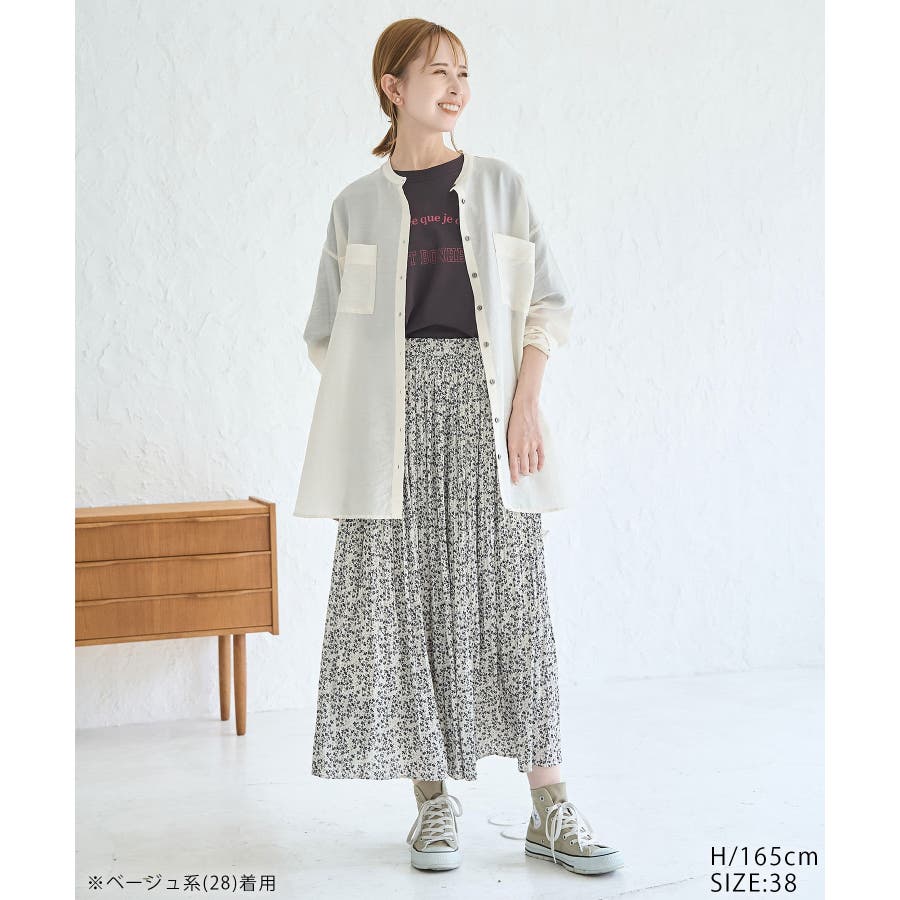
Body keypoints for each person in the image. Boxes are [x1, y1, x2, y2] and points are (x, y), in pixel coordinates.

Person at [293, 17, 624, 878]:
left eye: (463, 72)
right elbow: (327, 334)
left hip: (490, 412)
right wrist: (380, 407)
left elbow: (548, 306)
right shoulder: (354, 206)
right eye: (437, 71)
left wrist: (524, 405)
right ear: (392, 87)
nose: (455, 86)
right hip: (391, 432)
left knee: (513, 604)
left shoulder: (503, 186)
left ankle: (550, 806)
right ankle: (432, 803)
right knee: (403, 608)